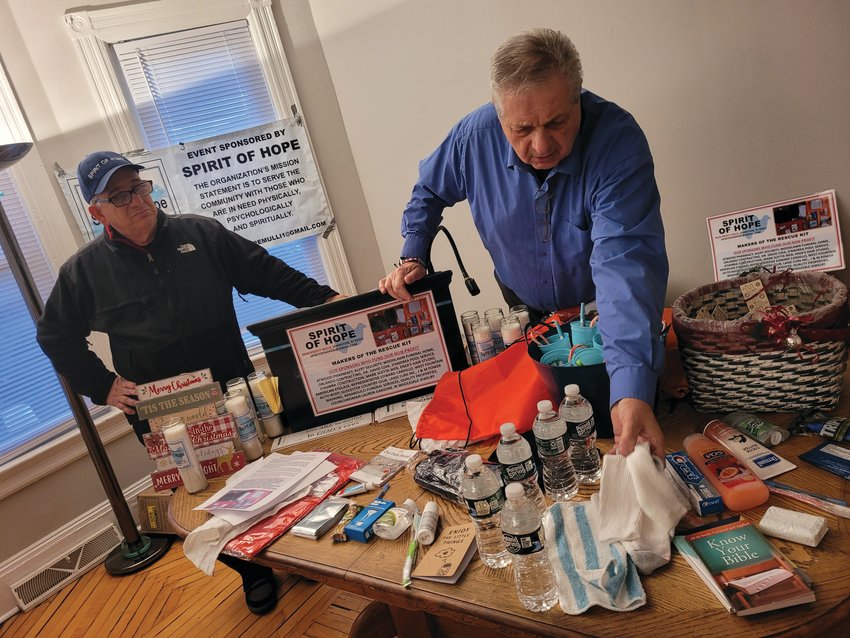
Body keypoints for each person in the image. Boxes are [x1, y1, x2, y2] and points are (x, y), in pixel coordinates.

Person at [37, 151, 341, 615]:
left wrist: (325, 299)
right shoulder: (83, 272)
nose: (137, 199)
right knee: (210, 492)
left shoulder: (201, 233)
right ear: (96, 211)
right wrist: (101, 386)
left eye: (139, 187)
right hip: (163, 411)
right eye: (120, 195)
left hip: (231, 384)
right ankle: (252, 567)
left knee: (271, 471)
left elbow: (266, 272)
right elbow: (55, 336)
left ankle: (289, 547)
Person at [378, 28, 667, 459]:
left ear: (578, 99)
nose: (540, 144)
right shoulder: (472, 138)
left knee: (614, 425)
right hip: (523, 302)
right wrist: (413, 250)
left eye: (556, 123)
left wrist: (631, 389)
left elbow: (625, 267)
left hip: (604, 309)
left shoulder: (617, 142)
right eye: (521, 129)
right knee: (538, 422)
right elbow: (429, 191)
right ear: (499, 119)